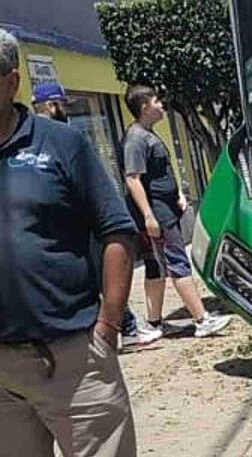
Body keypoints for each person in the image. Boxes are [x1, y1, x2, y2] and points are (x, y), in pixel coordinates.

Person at [0, 29, 138, 455]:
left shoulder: (61, 144)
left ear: (11, 81)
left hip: (74, 360)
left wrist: (109, 326)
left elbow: (117, 230)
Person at [32, 81, 163, 350]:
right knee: (106, 273)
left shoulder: (32, 139)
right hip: (80, 222)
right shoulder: (61, 138)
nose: (67, 110)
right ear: (52, 105)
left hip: (59, 228)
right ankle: (125, 327)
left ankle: (120, 326)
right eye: (64, 104)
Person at [122, 84, 230, 338]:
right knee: (177, 262)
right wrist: (148, 215)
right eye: (157, 101)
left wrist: (178, 194)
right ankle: (202, 320)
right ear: (145, 107)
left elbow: (160, 172)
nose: (162, 105)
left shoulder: (148, 134)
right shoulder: (135, 139)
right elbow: (133, 179)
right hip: (157, 213)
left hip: (166, 208)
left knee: (155, 267)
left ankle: (153, 323)